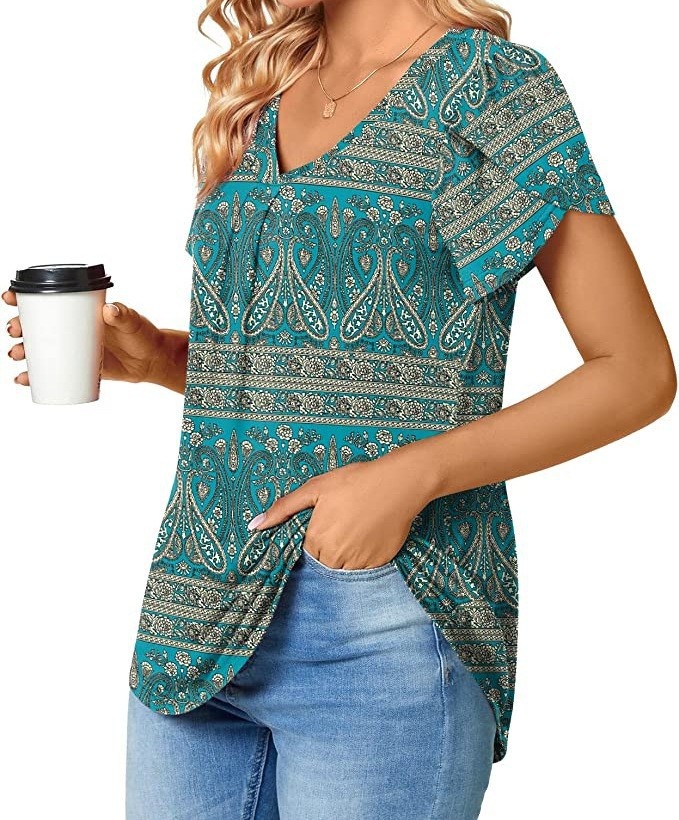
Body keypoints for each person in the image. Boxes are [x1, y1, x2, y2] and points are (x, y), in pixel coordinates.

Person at [4, 1, 675, 818]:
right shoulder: (265, 84)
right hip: (194, 613)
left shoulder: (488, 85)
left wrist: (405, 479)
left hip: (383, 618)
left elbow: (634, 372)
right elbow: (307, 367)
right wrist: (161, 361)